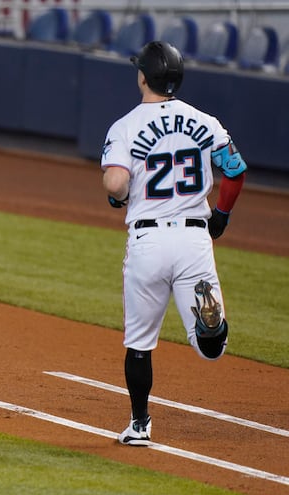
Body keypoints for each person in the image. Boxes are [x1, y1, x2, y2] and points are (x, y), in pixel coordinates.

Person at [100, 41, 247, 445]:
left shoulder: (125, 125)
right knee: (210, 351)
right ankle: (210, 330)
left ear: (143, 76)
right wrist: (222, 214)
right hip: (194, 238)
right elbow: (235, 171)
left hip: (148, 238)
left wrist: (119, 194)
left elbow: (115, 184)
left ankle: (140, 425)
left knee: (140, 342)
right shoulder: (206, 122)